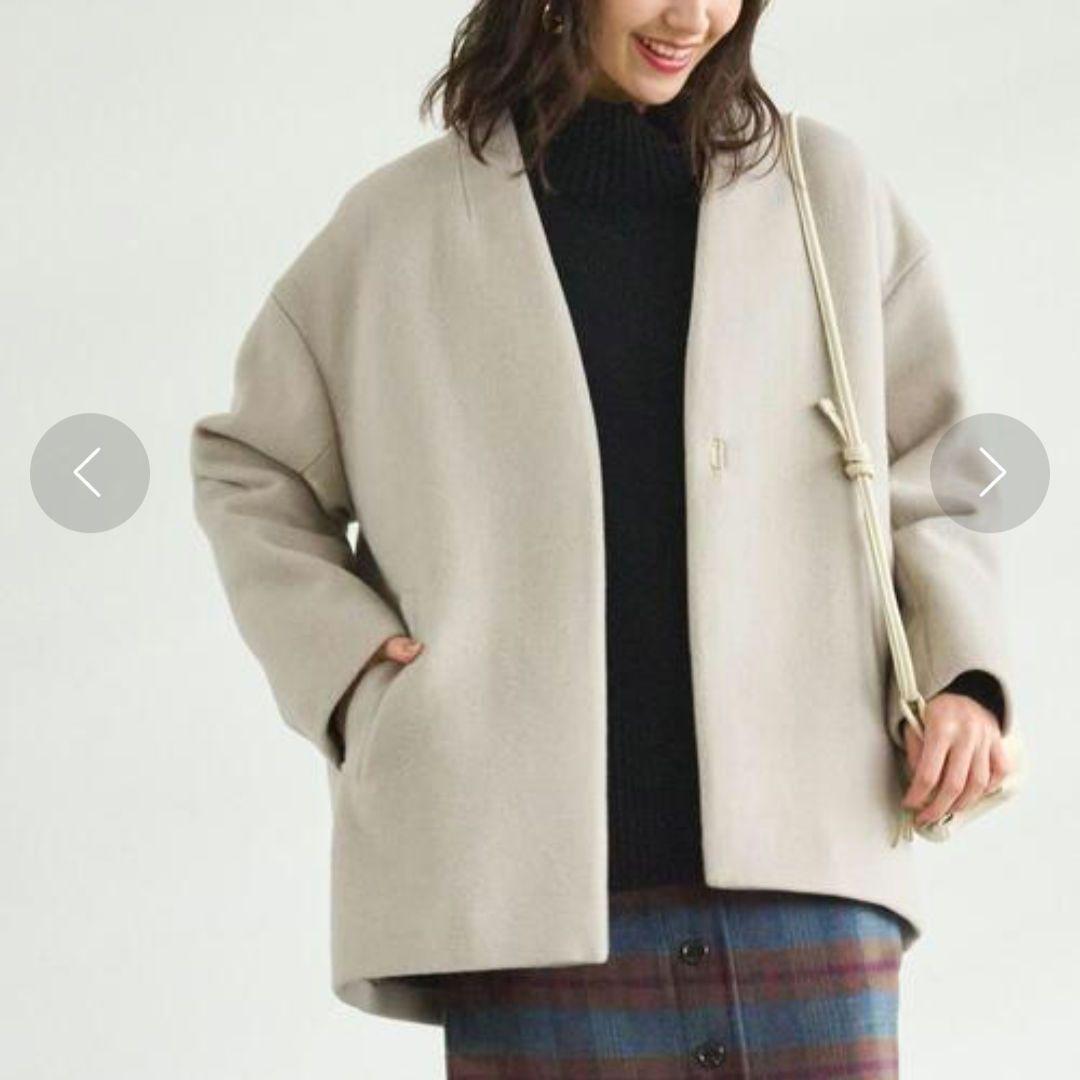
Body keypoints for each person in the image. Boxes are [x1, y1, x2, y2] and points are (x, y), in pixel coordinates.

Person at [190, 1, 1017, 1076]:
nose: (694, 16)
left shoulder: (827, 194)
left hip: (806, 865)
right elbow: (249, 465)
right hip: (520, 895)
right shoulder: (396, 229)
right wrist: (349, 668)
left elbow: (939, 462)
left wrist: (963, 675)